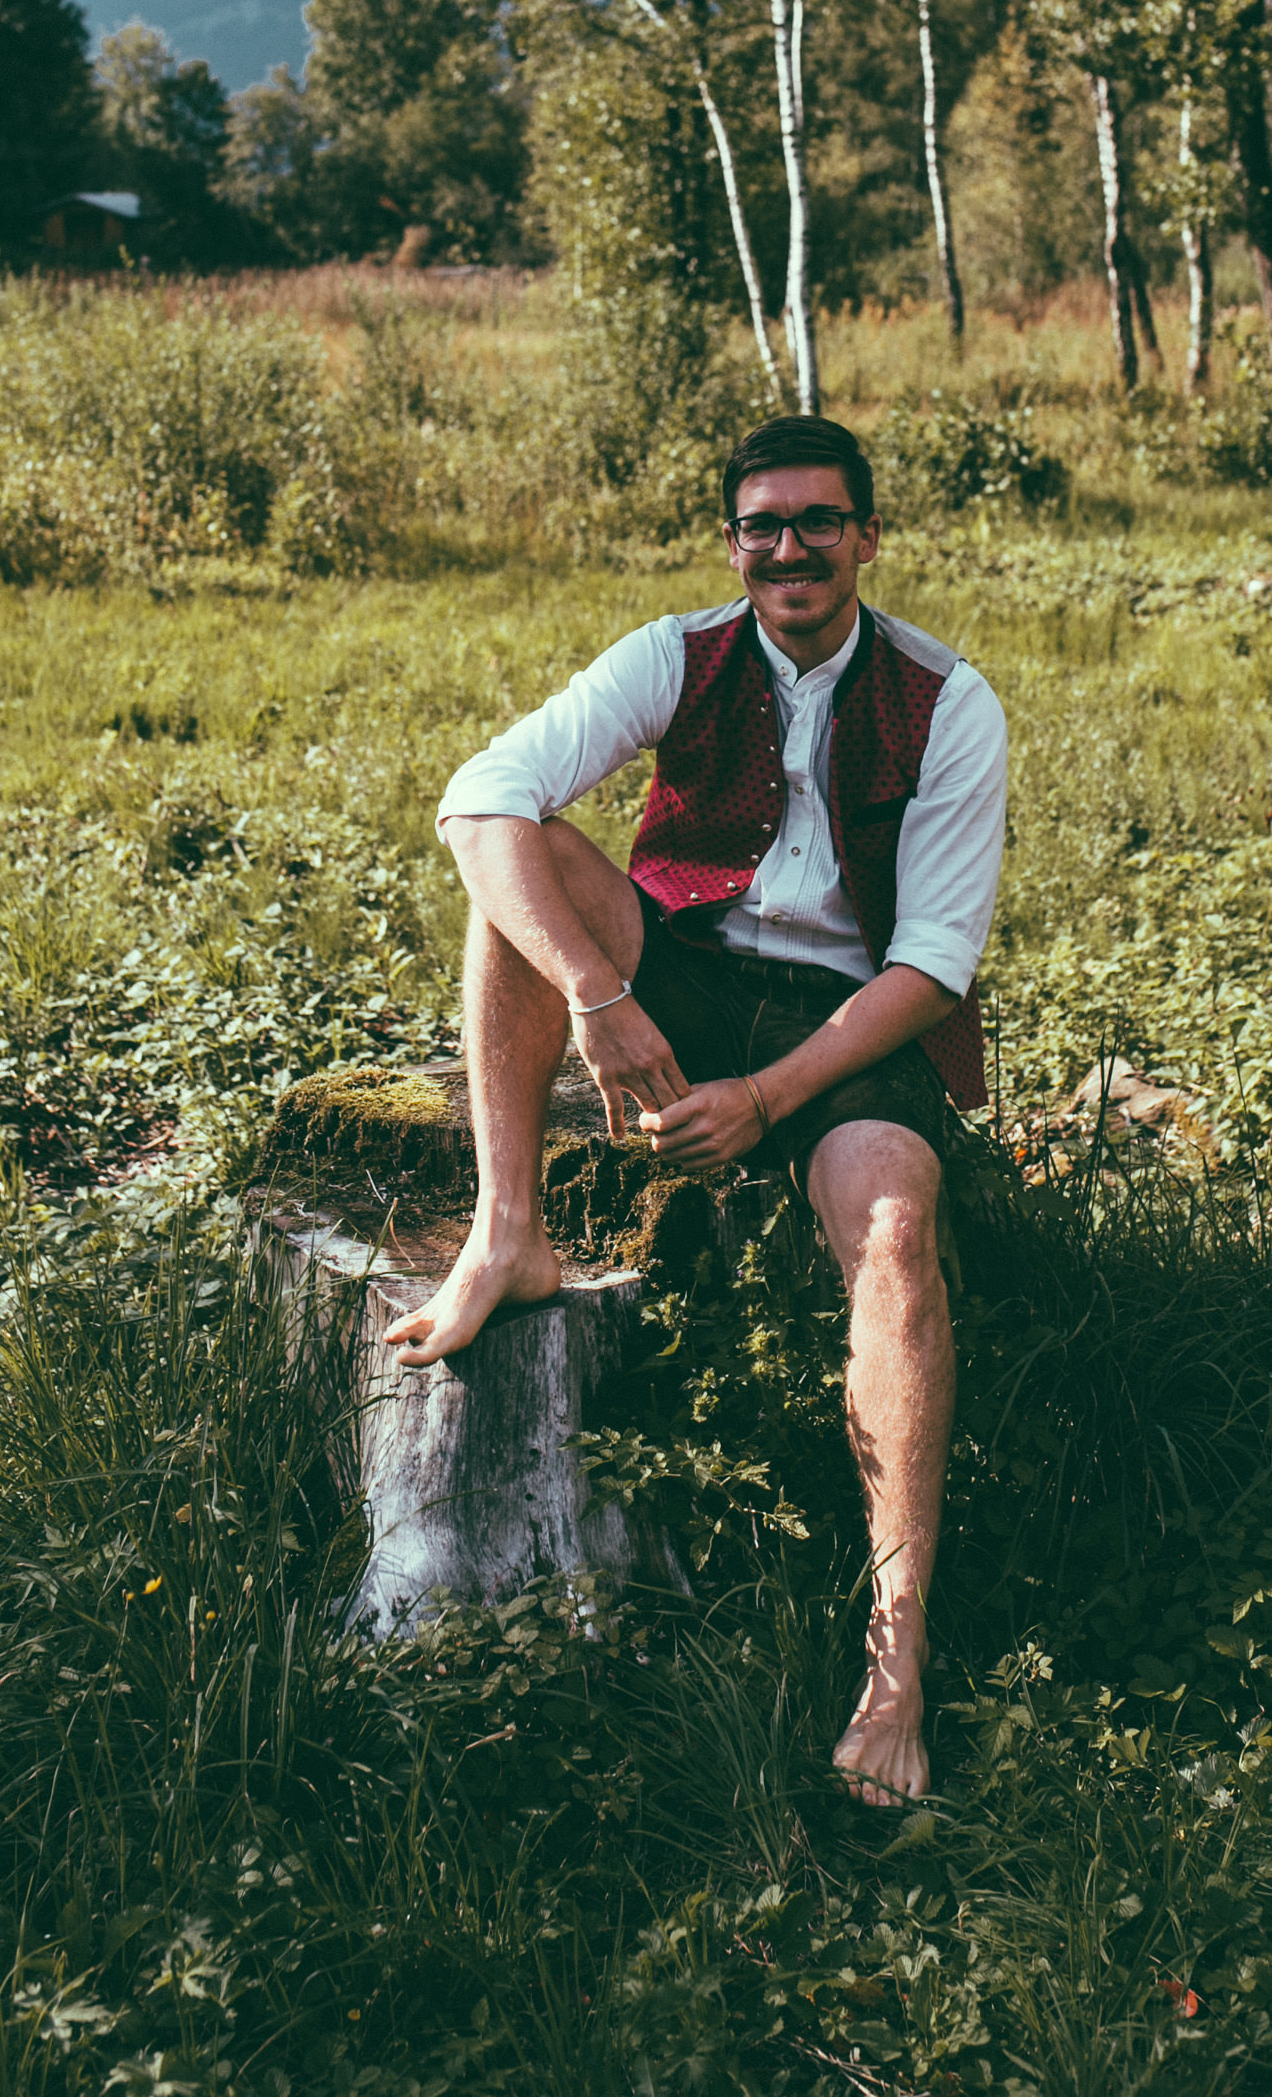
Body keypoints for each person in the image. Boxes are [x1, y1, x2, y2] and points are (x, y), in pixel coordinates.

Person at [387, 413, 1008, 1804]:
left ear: (867, 536)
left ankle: (896, 1663)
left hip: (854, 1020)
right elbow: (479, 797)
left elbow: (931, 967)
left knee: (894, 1234)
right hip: (690, 970)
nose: (790, 549)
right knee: (513, 858)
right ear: (733, 543)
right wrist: (603, 999)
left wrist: (767, 1099)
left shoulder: (946, 699)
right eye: (762, 524)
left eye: (819, 520)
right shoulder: (677, 655)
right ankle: (508, 1231)